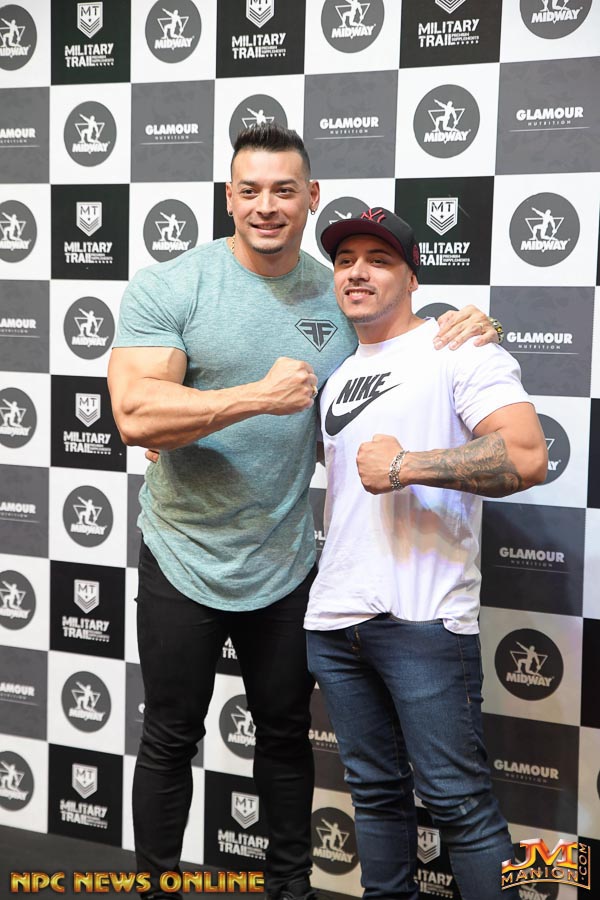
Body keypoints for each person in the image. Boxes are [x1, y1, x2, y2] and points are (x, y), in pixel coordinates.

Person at [107, 124, 500, 900]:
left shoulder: (340, 292)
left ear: (310, 197)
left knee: (286, 737)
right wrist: (256, 397)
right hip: (182, 553)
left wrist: (478, 327)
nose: (267, 206)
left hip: (290, 563)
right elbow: (134, 414)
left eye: (284, 190)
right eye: (250, 190)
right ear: (229, 197)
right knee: (170, 735)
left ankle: (289, 890)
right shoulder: (172, 285)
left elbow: (409, 347)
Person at [304, 207, 548, 900]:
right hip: (336, 621)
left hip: (424, 621)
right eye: (345, 259)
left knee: (461, 806)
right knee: (375, 797)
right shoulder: (336, 372)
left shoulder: (460, 348)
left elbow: (527, 456)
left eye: (379, 260)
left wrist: (407, 465)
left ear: (413, 276)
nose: (357, 272)